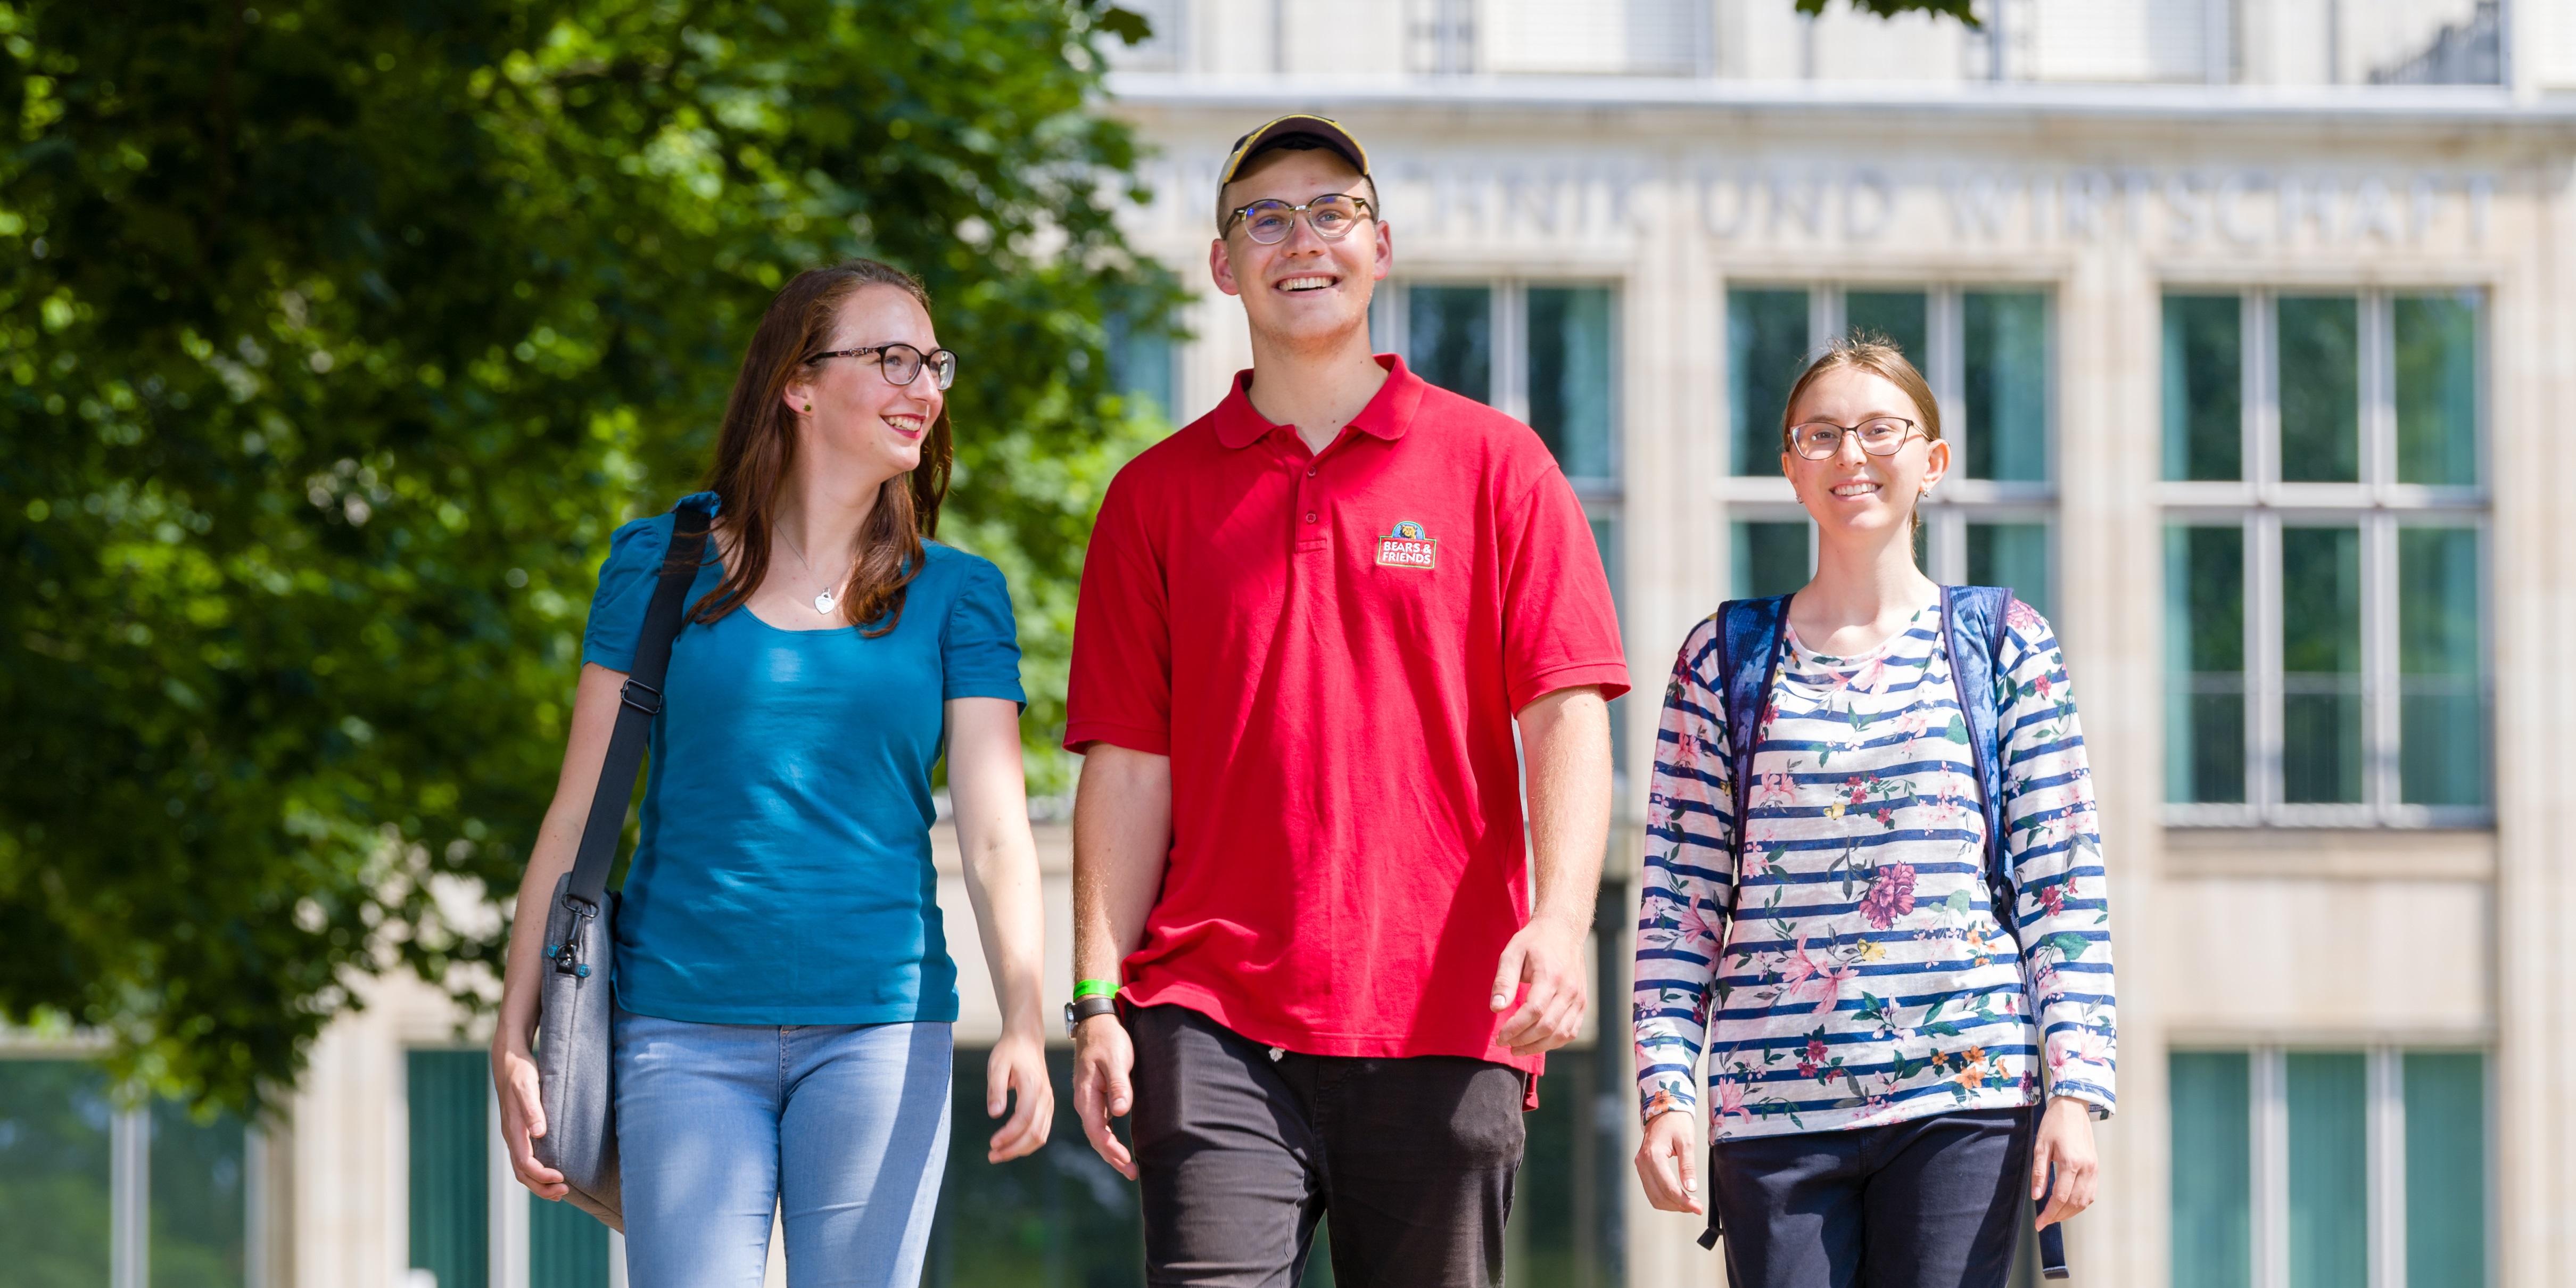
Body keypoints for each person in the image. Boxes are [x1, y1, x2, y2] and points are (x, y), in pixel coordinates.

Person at [1061, 114, 1629, 1287]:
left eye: (1332, 212)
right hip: (1210, 1010)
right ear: (1223, 264)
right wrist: (1094, 1000)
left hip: (1447, 1005)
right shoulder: (1153, 497)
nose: (1300, 240)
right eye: (1264, 217)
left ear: (1382, 246)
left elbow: (1566, 711)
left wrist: (1565, 922)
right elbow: (1127, 764)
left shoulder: (1497, 464)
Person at [491, 260, 1054, 1282]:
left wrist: (1025, 1011)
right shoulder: (660, 565)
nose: (923, 386)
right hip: (678, 1030)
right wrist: (514, 1024)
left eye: (934, 364)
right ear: (797, 381)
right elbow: (575, 813)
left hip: (882, 1031)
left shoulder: (961, 595)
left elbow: (996, 829)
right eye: (891, 358)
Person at [1629, 337, 2115, 1286]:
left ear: (1932, 461)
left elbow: (2065, 883)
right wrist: (1664, 1093)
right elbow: (1678, 901)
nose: (1851, 455)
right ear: (1789, 467)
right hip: (1774, 1111)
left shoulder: (2005, 643)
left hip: (1963, 1095)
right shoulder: (1723, 659)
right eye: (1821, 435)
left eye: (1880, 431)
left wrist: (2078, 1092)